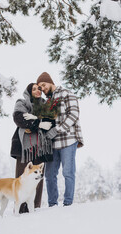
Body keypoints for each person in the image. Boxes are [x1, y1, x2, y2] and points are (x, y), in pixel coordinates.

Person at [37, 72, 84, 207]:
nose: (43, 89)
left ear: (50, 82)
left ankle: (68, 203)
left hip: (68, 139)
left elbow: (74, 114)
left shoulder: (67, 93)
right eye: (40, 87)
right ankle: (52, 204)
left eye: (44, 85)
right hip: (52, 144)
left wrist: (57, 129)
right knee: (49, 175)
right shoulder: (46, 102)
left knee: (68, 172)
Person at [10, 83, 53, 213]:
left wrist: (34, 122)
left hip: (41, 148)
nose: (37, 91)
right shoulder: (21, 103)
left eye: (39, 88)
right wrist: (40, 124)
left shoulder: (46, 105)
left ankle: (34, 208)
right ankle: (19, 208)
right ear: (29, 92)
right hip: (24, 148)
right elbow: (19, 119)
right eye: (34, 89)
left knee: (38, 178)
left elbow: (50, 123)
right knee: (22, 178)